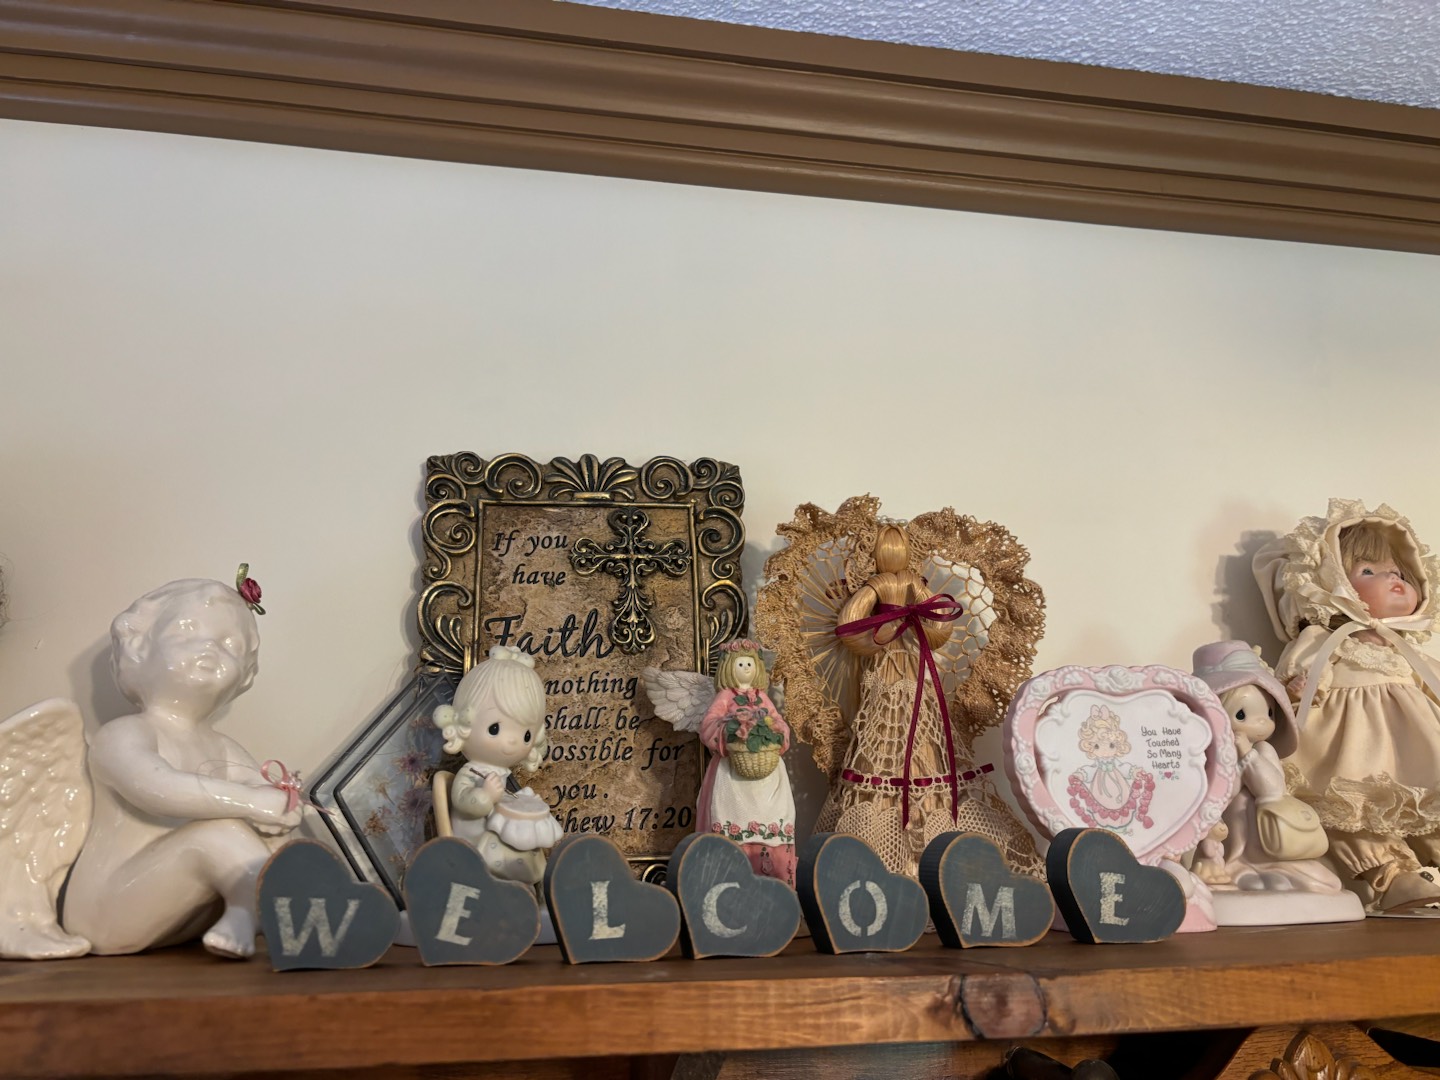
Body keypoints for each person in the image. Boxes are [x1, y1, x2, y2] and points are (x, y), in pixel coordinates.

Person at [63, 577, 302, 958]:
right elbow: (158, 787)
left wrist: (284, 806)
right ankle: (247, 913)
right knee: (218, 832)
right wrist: (252, 802)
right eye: (188, 630)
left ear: (244, 675)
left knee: (271, 842)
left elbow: (259, 788)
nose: (211, 647)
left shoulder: (222, 747)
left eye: (231, 646)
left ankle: (252, 914)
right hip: (107, 913)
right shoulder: (124, 734)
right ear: (140, 646)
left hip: (177, 917)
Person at [1254, 500, 1440, 911]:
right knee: (1356, 813)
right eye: (1369, 571)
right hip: (1350, 748)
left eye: (1399, 573)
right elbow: (1299, 683)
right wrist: (1297, 689)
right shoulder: (1324, 641)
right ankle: (1393, 878)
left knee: (1429, 802)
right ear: (1333, 583)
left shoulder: (1405, 650)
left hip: (1417, 749)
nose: (1392, 579)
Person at [433, 645, 562, 887]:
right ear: (464, 721)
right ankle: (524, 888)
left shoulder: (499, 773)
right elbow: (464, 803)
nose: (512, 741)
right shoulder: (470, 773)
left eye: (525, 735)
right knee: (520, 854)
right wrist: (485, 796)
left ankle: (535, 889)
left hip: (492, 839)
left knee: (529, 847)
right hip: (475, 845)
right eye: (495, 728)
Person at [697, 642, 796, 884]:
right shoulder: (725, 697)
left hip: (767, 772)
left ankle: (774, 878)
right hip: (733, 772)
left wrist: (777, 732)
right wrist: (729, 732)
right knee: (731, 814)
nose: (746, 668)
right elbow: (708, 724)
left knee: (772, 815)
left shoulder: (762, 697)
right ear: (729, 667)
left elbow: (777, 720)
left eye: (750, 663)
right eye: (740, 664)